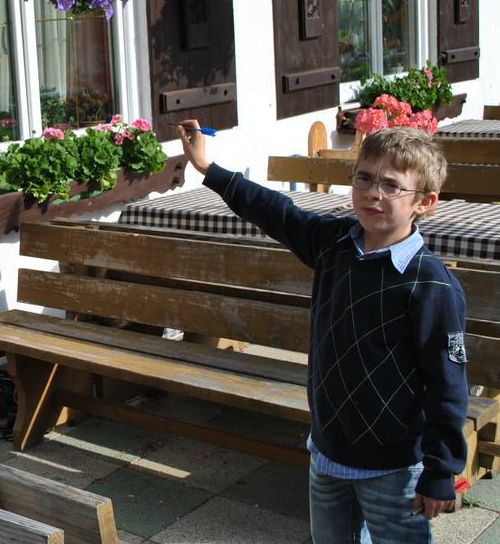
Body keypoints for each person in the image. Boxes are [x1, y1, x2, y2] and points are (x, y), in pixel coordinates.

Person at [177, 119, 468, 544]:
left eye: (392, 185)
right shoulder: (333, 244)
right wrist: (209, 168)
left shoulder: (431, 285)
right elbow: (274, 210)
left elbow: (447, 386)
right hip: (327, 453)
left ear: (425, 202)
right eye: (364, 178)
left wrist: (441, 471)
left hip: (393, 468)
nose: (373, 193)